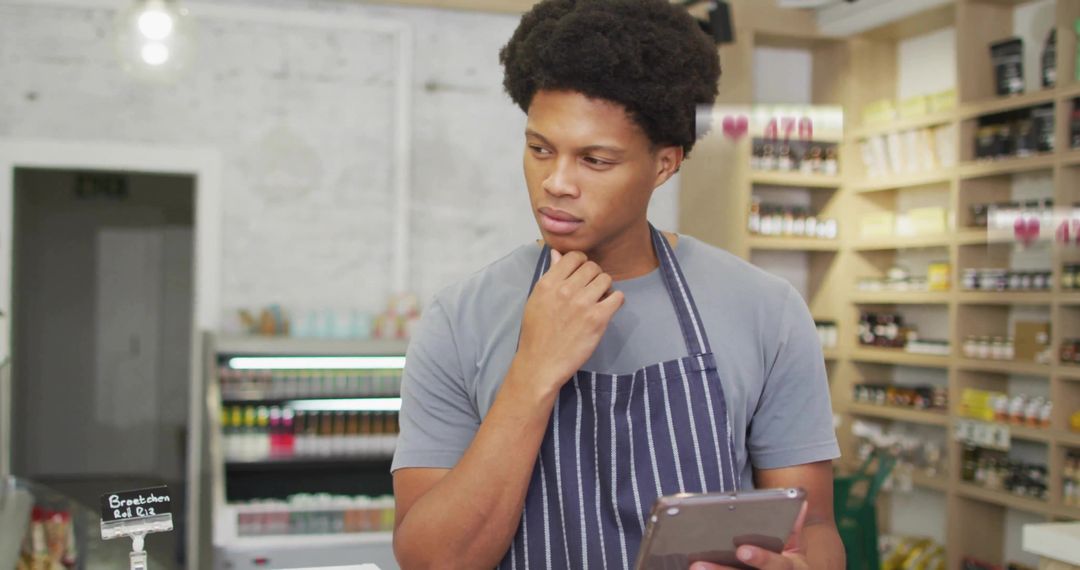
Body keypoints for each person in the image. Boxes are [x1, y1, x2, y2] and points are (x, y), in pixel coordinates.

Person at [390, 0, 843, 568]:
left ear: (665, 164)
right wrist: (533, 373)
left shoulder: (765, 310)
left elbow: (815, 526)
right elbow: (431, 560)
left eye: (596, 160)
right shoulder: (460, 318)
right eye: (539, 149)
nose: (556, 182)